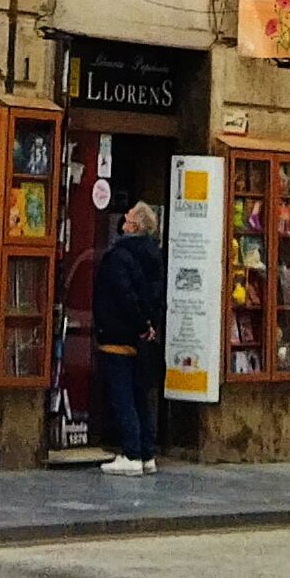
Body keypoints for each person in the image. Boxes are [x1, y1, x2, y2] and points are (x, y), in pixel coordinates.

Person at [90, 199, 167, 474]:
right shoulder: (154, 256)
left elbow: (124, 295)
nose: (124, 217)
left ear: (134, 225)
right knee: (140, 395)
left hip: (119, 333)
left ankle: (131, 453)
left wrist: (139, 323)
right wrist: (150, 326)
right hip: (143, 337)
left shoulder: (119, 255)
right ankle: (147, 453)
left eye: (129, 215)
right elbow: (156, 295)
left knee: (122, 394)